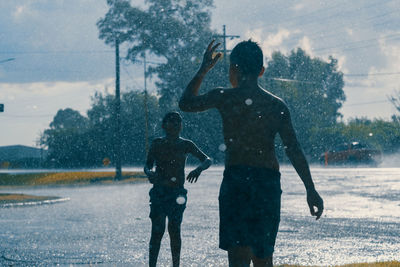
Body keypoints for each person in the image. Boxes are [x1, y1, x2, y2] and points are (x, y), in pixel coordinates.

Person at [179, 40, 324, 267]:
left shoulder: (224, 97)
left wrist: (203, 70)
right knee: (263, 258)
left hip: (236, 182)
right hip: (266, 184)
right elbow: (293, 149)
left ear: (233, 69)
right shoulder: (276, 106)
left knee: (238, 260)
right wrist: (310, 189)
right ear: (262, 71)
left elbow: (186, 103)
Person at [144, 111, 212, 267]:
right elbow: (148, 164)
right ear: (164, 125)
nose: (175, 124)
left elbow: (207, 159)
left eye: (178, 121)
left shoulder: (185, 144)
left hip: (177, 193)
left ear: (181, 126)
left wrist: (199, 169)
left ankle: (176, 265)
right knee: (157, 230)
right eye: (172, 121)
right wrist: (149, 173)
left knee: (174, 230)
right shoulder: (157, 143)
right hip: (159, 192)